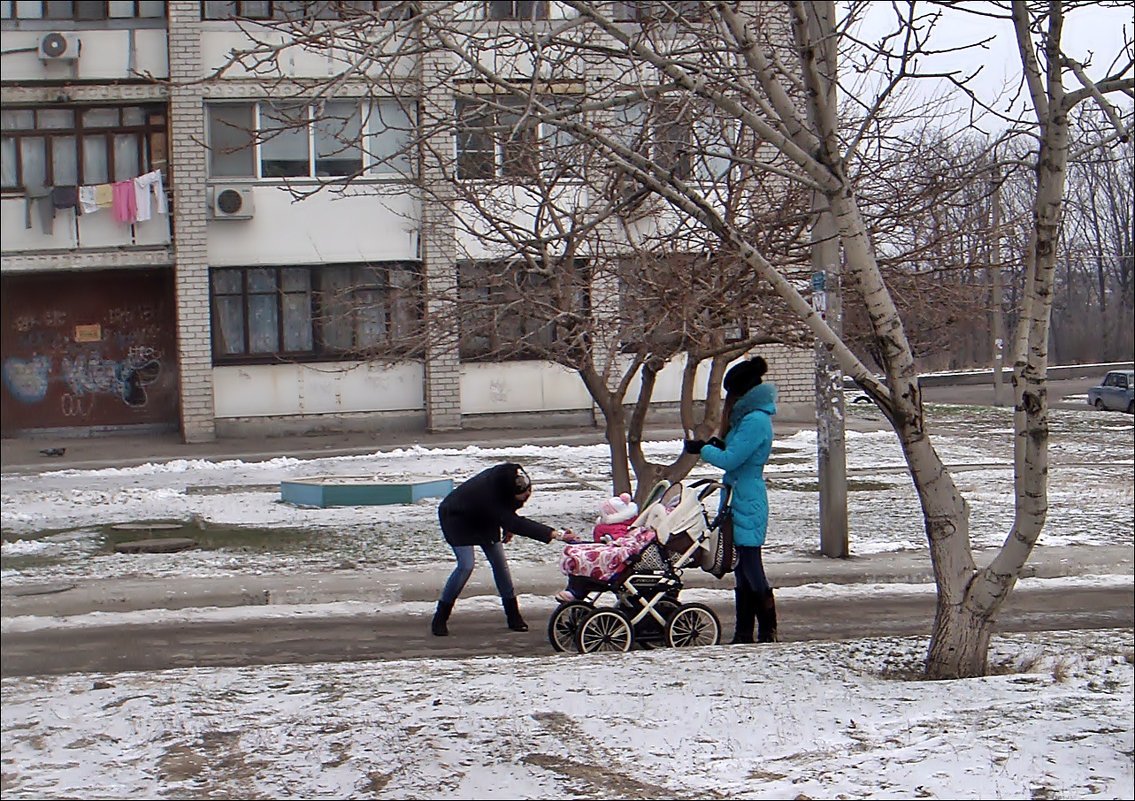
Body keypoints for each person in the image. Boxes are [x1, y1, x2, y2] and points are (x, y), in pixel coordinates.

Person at [684, 355, 779, 644]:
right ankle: (743, 633)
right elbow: (731, 449)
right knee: (740, 568)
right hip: (739, 497)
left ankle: (766, 630)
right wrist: (713, 445)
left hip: (747, 498)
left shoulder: (754, 421)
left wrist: (703, 450)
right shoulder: (748, 419)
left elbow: (732, 459)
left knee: (750, 566)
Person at [431, 462, 577, 636]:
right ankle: (440, 617)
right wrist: (555, 534)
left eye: (529, 492)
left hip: (484, 515)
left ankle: (513, 615)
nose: (527, 496)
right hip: (457, 517)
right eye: (523, 495)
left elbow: (509, 509)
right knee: (466, 565)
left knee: (500, 564)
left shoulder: (512, 478)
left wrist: (508, 525)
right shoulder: (490, 498)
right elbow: (514, 520)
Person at [554, 492, 640, 603]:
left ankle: (575, 592)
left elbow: (619, 542)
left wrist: (610, 540)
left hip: (613, 564)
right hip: (609, 557)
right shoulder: (619, 526)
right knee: (580, 560)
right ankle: (574, 592)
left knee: (583, 566)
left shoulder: (619, 528)